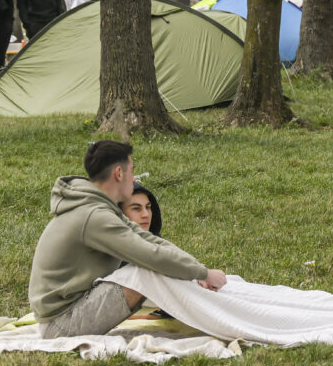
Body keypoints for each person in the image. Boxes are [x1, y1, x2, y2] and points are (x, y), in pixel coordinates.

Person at [28, 140, 226, 339]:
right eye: (132, 171)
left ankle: (214, 311)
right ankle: (219, 320)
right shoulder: (94, 216)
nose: (133, 179)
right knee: (144, 273)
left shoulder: (99, 207)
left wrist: (199, 269)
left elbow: (149, 240)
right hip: (60, 326)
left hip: (68, 314)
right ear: (119, 174)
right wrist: (203, 273)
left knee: (150, 268)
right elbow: (150, 255)